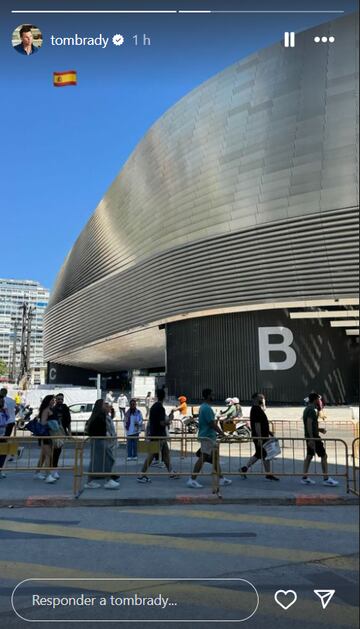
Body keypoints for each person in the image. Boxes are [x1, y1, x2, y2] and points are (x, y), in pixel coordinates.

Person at [187, 388, 232, 489]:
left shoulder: (203, 407)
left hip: (209, 437)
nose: (214, 396)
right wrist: (222, 433)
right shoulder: (206, 408)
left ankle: (221, 479)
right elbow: (211, 424)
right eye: (212, 395)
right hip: (208, 437)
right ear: (208, 396)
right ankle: (192, 479)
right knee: (203, 458)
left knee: (215, 459)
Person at [137, 389, 178, 483]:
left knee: (166, 454)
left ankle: (171, 472)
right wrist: (170, 420)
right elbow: (162, 423)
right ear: (164, 396)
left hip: (158, 434)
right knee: (151, 455)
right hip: (158, 435)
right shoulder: (160, 408)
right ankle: (142, 474)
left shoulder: (154, 406)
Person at [240, 393, 279, 481]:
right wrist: (260, 437)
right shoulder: (256, 409)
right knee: (265, 454)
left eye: (263, 398)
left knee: (259, 454)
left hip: (262, 436)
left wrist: (269, 432)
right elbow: (257, 424)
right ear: (255, 399)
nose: (262, 399)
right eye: (260, 398)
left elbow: (262, 422)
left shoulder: (258, 409)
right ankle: (268, 474)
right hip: (260, 437)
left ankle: (244, 469)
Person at [302, 392, 339, 486]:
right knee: (324, 456)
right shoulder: (310, 410)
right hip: (314, 438)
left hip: (310, 436)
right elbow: (309, 424)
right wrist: (311, 439)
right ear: (315, 400)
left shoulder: (308, 409)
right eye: (318, 399)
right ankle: (326, 479)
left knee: (309, 456)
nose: (320, 401)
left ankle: (304, 477)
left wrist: (319, 429)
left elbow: (310, 425)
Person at [85, 399, 119, 490]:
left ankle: (93, 480)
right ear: (100, 406)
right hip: (100, 441)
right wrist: (105, 436)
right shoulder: (99, 417)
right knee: (107, 460)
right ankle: (107, 480)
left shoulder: (100, 416)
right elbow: (96, 430)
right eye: (104, 404)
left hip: (100, 441)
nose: (106, 405)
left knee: (100, 461)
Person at [34, 394, 58, 484]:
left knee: (43, 456)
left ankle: (37, 473)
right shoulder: (46, 410)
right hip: (45, 435)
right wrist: (52, 423)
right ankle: (48, 475)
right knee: (49, 455)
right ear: (48, 401)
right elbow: (43, 423)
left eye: (54, 400)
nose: (53, 401)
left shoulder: (50, 409)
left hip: (48, 435)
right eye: (52, 400)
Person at [51, 393, 71, 477]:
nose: (60, 401)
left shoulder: (65, 408)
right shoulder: (53, 409)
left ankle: (54, 469)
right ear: (56, 400)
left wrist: (69, 432)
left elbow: (69, 420)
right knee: (53, 451)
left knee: (58, 451)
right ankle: (52, 470)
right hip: (54, 432)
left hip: (62, 432)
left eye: (61, 399)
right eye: (58, 399)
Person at [0, 396, 10, 478]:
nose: (2, 403)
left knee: (3, 453)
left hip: (2, 436)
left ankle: (0, 470)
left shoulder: (4, 411)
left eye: (2, 401)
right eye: (1, 401)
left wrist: (5, 411)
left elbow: (7, 419)